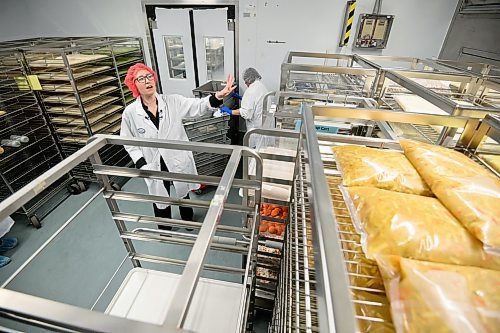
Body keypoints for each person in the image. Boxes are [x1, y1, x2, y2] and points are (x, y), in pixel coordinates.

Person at [120, 63, 235, 229]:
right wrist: (140, 162)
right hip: (153, 162)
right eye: (141, 78)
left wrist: (217, 96)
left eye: (149, 76)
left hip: (176, 157)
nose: (147, 81)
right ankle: (165, 227)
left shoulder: (172, 101)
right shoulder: (130, 113)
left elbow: (198, 106)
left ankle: (188, 221)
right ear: (134, 84)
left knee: (183, 190)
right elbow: (127, 140)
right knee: (159, 196)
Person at [220, 68, 269, 148]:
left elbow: (246, 113)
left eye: (245, 82)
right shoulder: (261, 86)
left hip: (256, 128)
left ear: (248, 80)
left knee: (255, 150)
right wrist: (240, 97)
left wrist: (230, 111)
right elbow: (255, 102)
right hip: (263, 125)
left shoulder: (251, 91)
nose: (245, 84)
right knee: (262, 148)